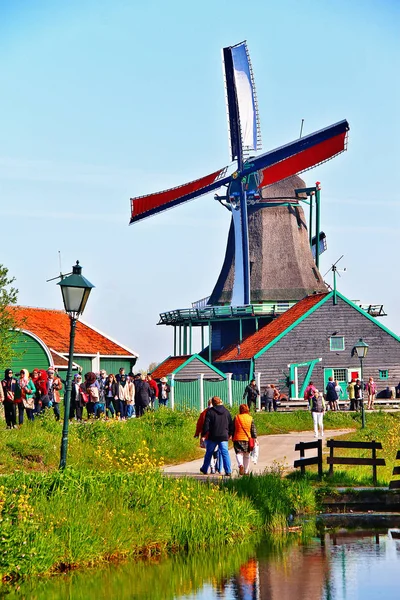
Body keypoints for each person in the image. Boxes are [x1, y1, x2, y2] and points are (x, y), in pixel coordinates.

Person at [200, 396, 233, 477]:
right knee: (225, 453)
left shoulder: (210, 412)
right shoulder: (226, 411)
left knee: (209, 452)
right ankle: (228, 471)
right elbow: (230, 424)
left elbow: (206, 425)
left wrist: (204, 434)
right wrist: (230, 433)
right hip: (223, 435)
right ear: (220, 402)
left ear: (213, 403)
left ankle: (204, 469)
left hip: (213, 436)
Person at [194, 398, 219, 474]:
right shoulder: (218, 412)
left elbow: (199, 424)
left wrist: (197, 434)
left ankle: (212, 467)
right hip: (216, 435)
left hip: (206, 436)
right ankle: (214, 465)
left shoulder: (204, 413)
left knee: (209, 452)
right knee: (215, 451)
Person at [233, 404, 258, 475]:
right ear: (247, 410)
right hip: (247, 439)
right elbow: (253, 430)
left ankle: (240, 465)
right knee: (247, 455)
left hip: (237, 438)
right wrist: (255, 438)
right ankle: (246, 471)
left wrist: (231, 435)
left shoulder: (236, 417)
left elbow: (232, 428)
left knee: (239, 453)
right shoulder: (250, 418)